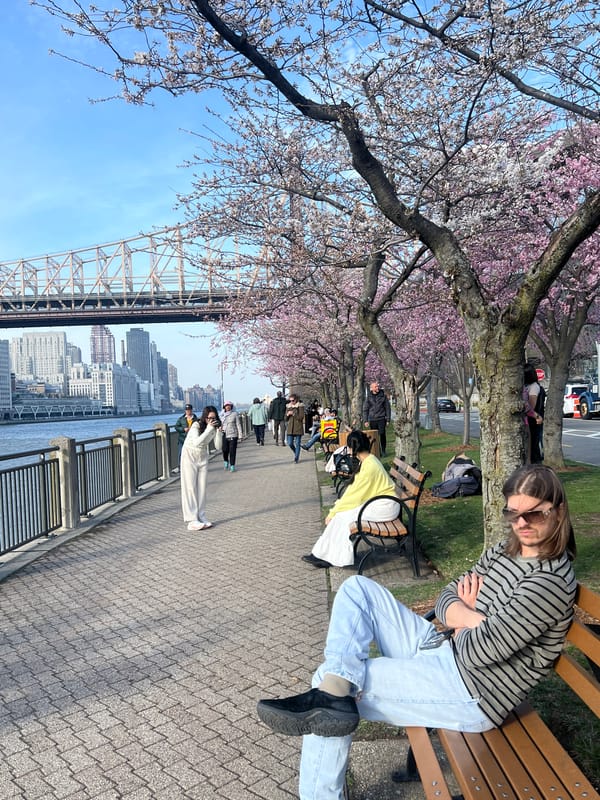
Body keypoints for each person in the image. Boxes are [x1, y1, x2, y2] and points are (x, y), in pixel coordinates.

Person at [257, 464, 577, 800]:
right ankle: (334, 696)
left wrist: (462, 617)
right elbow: (447, 597)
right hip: (445, 653)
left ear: (558, 511)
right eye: (513, 514)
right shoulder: (505, 550)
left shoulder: (548, 583)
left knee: (329, 682)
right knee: (356, 590)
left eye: (534, 515)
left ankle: (329, 728)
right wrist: (472, 617)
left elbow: (482, 653)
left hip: (470, 691)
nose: (521, 524)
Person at [301, 430, 399, 568]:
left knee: (344, 518)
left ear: (352, 448)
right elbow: (354, 492)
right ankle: (321, 554)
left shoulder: (369, 465)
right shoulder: (369, 460)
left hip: (385, 507)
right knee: (341, 516)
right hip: (380, 503)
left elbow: (354, 495)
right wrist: (335, 510)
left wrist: (333, 511)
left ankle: (334, 557)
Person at [180, 405, 222, 531]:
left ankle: (201, 515)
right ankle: (192, 519)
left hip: (202, 457)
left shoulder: (213, 428)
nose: (211, 420)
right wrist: (209, 429)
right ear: (205, 417)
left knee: (202, 488)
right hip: (189, 456)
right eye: (209, 418)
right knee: (190, 487)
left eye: (214, 418)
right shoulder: (196, 426)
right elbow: (197, 442)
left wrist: (218, 433)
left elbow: (218, 446)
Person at [362, 381, 391, 455]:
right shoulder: (368, 397)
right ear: (371, 388)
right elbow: (365, 409)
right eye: (375, 387)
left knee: (382, 434)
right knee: (374, 436)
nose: (377, 388)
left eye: (377, 386)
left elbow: (387, 408)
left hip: (381, 418)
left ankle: (383, 450)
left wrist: (388, 419)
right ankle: (377, 451)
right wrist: (365, 420)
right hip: (372, 419)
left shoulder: (383, 396)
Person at [523, 364, 543, 463]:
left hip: (532, 422)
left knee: (533, 447)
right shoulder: (525, 386)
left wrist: (535, 415)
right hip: (528, 420)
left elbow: (530, 406)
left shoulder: (534, 387)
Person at [221, 400, 243, 472]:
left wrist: (240, 435)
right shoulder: (221, 415)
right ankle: (226, 461)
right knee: (224, 450)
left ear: (231, 406)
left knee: (232, 451)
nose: (227, 407)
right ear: (224, 407)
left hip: (233, 434)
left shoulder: (234, 414)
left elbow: (238, 424)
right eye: (226, 406)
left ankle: (232, 465)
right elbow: (219, 424)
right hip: (224, 434)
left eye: (229, 406)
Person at [285, 394, 305, 463]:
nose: (291, 402)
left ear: (296, 400)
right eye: (290, 400)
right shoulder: (288, 406)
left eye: (293, 400)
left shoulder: (300, 406)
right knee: (290, 443)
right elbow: (285, 419)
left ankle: (296, 458)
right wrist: (287, 415)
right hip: (290, 428)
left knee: (297, 443)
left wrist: (293, 414)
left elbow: (301, 417)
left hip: (298, 428)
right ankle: (296, 452)